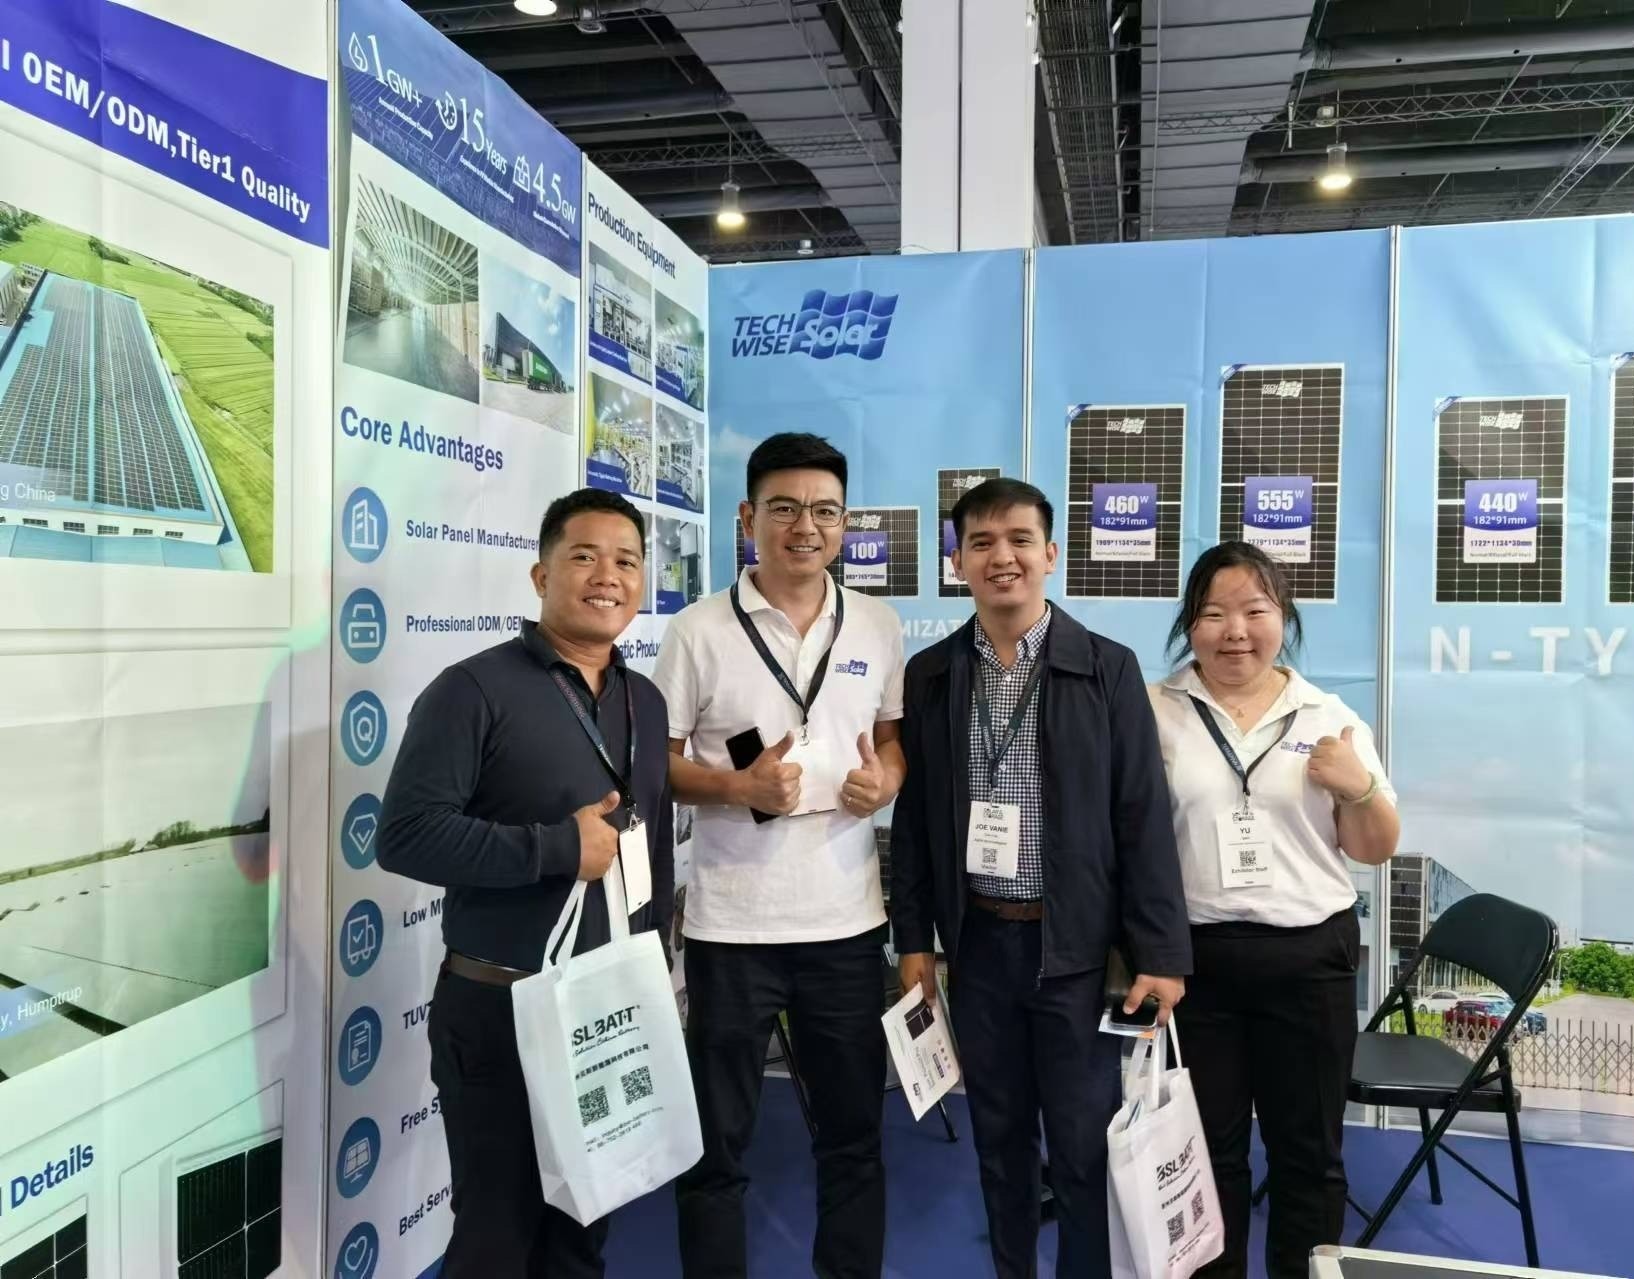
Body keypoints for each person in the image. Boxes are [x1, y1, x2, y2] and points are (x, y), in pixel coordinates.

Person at [889, 477, 1192, 1279]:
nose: (1003, 557)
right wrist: (913, 940)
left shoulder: (1106, 669)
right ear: (958, 561)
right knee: (999, 1141)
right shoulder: (932, 674)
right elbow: (915, 820)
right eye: (981, 542)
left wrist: (1162, 953)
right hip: (979, 945)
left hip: (1076, 955)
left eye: (1020, 539)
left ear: (1050, 553)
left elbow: (1142, 814)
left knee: (1084, 1148)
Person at [376, 489, 675, 1279]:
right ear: (542, 575)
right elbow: (404, 835)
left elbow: (651, 849)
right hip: (499, 1010)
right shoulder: (472, 690)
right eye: (584, 556)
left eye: (626, 561)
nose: (607, 576)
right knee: (496, 1238)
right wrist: (555, 847)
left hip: (605, 1011)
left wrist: (658, 976)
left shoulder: (645, 701)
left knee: (584, 1229)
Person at [654, 432, 906, 1279]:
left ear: (845, 522)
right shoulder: (697, 630)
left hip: (845, 924)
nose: (807, 526)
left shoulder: (877, 622)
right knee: (714, 1146)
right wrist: (738, 787)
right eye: (786, 508)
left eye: (825, 511)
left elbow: (890, 741)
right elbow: (660, 763)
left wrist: (885, 781)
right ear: (747, 516)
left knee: (853, 1139)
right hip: (732, 929)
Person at [1151, 541, 1400, 1279]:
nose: (1235, 631)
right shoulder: (1154, 711)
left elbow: (1375, 847)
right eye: (1213, 614)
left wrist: (1357, 787)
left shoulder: (1328, 716)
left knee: (1310, 1158)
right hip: (1197, 965)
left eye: (1255, 611)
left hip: (1308, 960)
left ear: (1283, 618)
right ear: (1189, 625)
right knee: (1209, 1156)